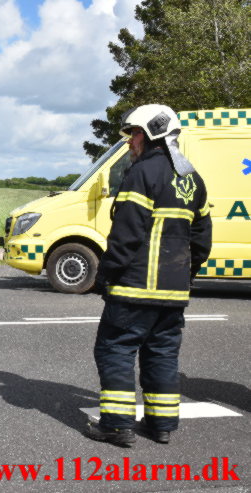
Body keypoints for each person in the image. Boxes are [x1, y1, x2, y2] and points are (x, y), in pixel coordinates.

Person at [86, 104, 212, 447]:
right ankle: (161, 424)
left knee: (115, 349)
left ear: (152, 134)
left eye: (135, 134)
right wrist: (185, 275)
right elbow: (201, 240)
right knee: (162, 354)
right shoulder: (192, 178)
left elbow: (126, 235)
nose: (130, 142)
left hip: (134, 288)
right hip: (173, 293)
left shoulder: (141, 174)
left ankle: (116, 425)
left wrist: (104, 277)